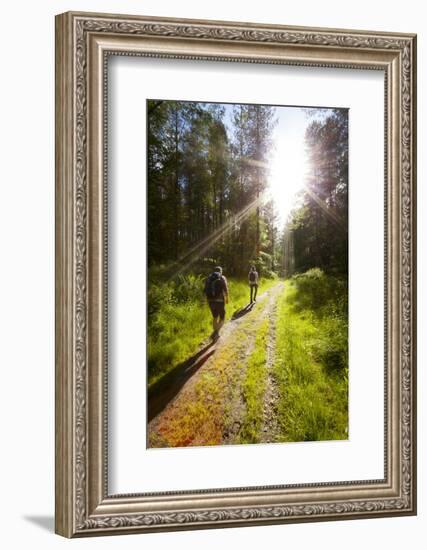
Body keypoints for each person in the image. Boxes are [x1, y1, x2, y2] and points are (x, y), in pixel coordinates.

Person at [204, 266, 229, 340]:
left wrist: (205, 300)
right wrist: (227, 298)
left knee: (215, 316)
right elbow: (225, 289)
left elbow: (205, 290)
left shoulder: (208, 278)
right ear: (220, 271)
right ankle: (216, 332)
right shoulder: (222, 277)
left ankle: (215, 332)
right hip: (220, 301)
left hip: (210, 300)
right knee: (222, 316)